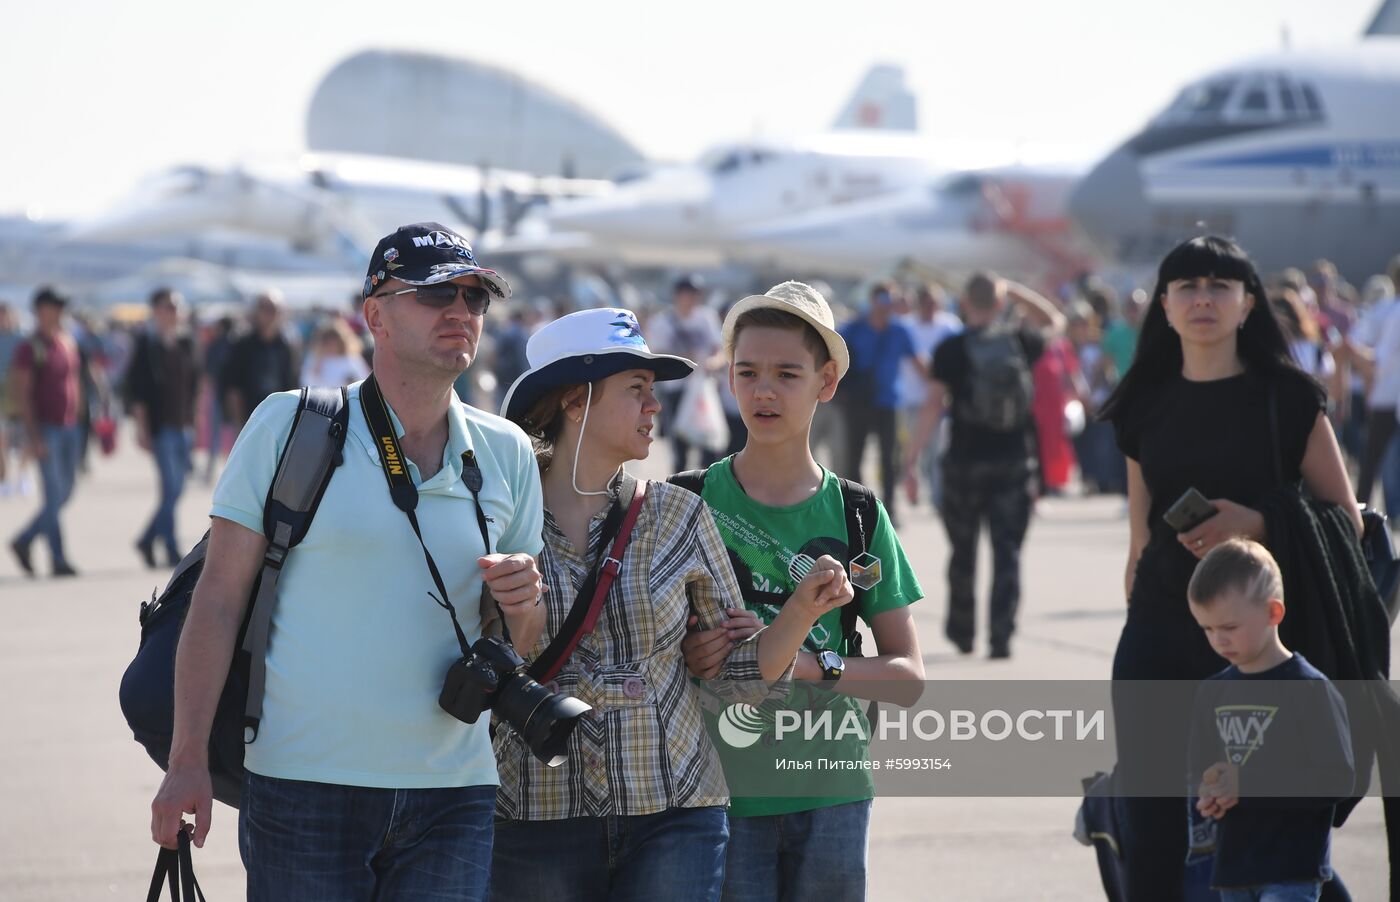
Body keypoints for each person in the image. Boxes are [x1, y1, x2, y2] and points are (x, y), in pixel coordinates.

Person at [150, 223, 546, 901]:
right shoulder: (289, 426)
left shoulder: (508, 450)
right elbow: (217, 601)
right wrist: (186, 762)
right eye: (436, 293)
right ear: (375, 315)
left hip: (453, 795)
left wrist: (523, 604)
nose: (461, 311)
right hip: (305, 788)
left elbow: (524, 644)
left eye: (475, 297)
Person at [493, 306, 846, 900]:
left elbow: (740, 682)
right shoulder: (498, 521)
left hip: (674, 813)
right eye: (636, 390)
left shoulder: (678, 517)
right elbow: (472, 674)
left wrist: (800, 613)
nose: (655, 406)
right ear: (575, 400)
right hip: (533, 814)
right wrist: (518, 626)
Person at [1098, 235, 1361, 901]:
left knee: (1272, 822)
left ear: (1248, 303)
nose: (1203, 298)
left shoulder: (1289, 396)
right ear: (1164, 304)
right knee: (1152, 818)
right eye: (1187, 286)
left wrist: (1260, 520)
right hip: (1159, 626)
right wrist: (1136, 616)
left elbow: (1344, 516)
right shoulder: (1142, 403)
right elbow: (1139, 536)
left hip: (1256, 643)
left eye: (1221, 285)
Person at [681, 281, 926, 902]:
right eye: (747, 372)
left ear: (826, 383)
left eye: (787, 374)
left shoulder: (859, 515)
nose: (764, 390)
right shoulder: (684, 502)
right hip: (715, 790)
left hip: (832, 790)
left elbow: (907, 677)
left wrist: (815, 666)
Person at [904, 272, 1065, 658]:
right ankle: (1001, 636)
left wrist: (910, 464)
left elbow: (932, 407)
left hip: (963, 463)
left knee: (963, 551)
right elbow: (1054, 322)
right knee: (1006, 551)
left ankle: (963, 632)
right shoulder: (1021, 342)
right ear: (999, 304)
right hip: (1012, 462)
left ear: (964, 304)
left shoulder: (951, 349)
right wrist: (1018, 290)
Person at [1186, 539, 1354, 902]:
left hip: (1291, 868)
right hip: (1233, 868)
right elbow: (1204, 770)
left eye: (1229, 626)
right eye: (1207, 629)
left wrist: (1247, 782)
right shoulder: (1212, 692)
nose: (1218, 640)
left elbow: (1338, 779)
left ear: (1273, 613)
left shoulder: (1309, 689)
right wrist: (1209, 794)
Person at [124, 288, 202, 568]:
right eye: (168, 306)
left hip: (183, 425)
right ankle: (169, 545)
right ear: (156, 310)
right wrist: (141, 428)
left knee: (178, 488)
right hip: (161, 427)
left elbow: (194, 383)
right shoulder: (147, 344)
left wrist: (195, 420)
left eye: (177, 306)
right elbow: (138, 391)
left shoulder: (186, 342)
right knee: (169, 487)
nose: (174, 312)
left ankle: (147, 538)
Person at [9, 287, 84, 577]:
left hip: (69, 428)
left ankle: (24, 539)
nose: (60, 311)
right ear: (40, 310)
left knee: (65, 492)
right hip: (47, 429)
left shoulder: (66, 341)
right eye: (55, 306)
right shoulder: (30, 348)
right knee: (54, 494)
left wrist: (80, 423)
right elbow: (22, 394)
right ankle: (58, 557)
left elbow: (74, 383)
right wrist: (33, 436)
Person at [838, 282, 924, 526]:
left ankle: (889, 509)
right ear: (873, 301)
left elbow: (918, 362)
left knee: (890, 458)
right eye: (884, 301)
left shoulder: (900, 330)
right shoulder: (854, 328)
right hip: (857, 402)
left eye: (892, 301)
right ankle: (854, 510)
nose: (888, 307)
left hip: (889, 402)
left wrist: (939, 386)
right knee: (854, 457)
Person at [648, 275, 724, 472]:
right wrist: (685, 356)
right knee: (680, 446)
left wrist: (711, 363)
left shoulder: (706, 317)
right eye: (688, 294)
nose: (692, 300)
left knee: (709, 444)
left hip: (703, 389)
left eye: (695, 295)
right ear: (677, 296)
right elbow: (656, 353)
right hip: (676, 389)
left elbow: (719, 350)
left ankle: (707, 489)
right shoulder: (662, 321)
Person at [899, 284, 962, 509]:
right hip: (913, 400)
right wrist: (936, 378)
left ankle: (938, 497)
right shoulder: (907, 326)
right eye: (926, 303)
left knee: (939, 451)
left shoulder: (950, 326)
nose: (930, 307)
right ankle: (914, 487)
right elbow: (917, 361)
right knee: (915, 453)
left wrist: (941, 385)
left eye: (934, 303)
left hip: (940, 402)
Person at [222, 291, 298, 429]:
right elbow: (233, 387)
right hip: (250, 417)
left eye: (274, 309)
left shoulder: (286, 346)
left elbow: (292, 383)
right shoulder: (242, 344)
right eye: (265, 308)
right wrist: (239, 423)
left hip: (279, 418)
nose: (270, 314)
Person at [202, 315, 236, 482]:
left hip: (220, 391)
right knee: (238, 434)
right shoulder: (235, 344)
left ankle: (210, 471)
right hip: (234, 394)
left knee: (215, 433)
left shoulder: (216, 344)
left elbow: (208, 371)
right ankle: (233, 471)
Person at [299, 317, 369, 387]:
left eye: (334, 341)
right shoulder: (314, 358)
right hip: (321, 396)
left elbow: (363, 380)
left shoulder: (352, 359)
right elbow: (305, 382)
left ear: (341, 342)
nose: (331, 346)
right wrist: (315, 370)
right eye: (327, 342)